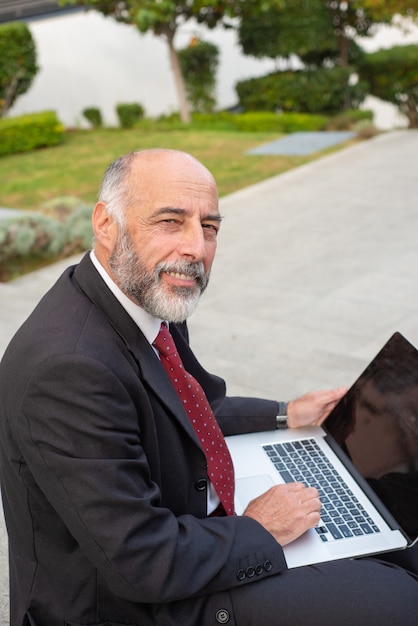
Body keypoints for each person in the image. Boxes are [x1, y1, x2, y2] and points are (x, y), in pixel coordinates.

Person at [0, 149, 417, 626]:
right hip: (133, 604)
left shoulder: (143, 299)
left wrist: (286, 414)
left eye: (210, 227)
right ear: (105, 223)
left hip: (188, 535)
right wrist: (259, 529)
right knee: (397, 601)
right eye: (171, 221)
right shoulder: (68, 368)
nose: (196, 248)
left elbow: (193, 409)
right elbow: (142, 561)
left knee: (400, 538)